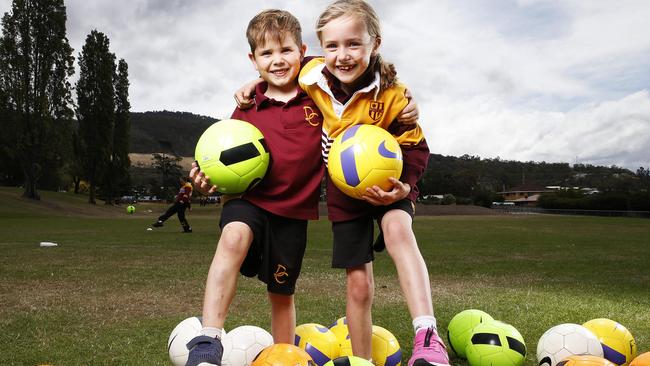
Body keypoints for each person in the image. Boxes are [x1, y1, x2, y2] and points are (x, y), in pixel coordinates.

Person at [296, 1, 451, 364]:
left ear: (374, 44)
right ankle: (362, 359)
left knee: (398, 231)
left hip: (389, 185)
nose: (342, 55)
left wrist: (405, 185)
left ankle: (427, 336)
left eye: (354, 44)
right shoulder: (310, 76)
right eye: (332, 46)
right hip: (343, 192)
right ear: (321, 49)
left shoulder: (396, 95)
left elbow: (417, 147)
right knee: (359, 283)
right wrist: (253, 84)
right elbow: (280, 71)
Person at [183, 9, 325, 366]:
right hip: (249, 201)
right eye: (266, 53)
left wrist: (306, 65)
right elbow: (220, 158)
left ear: (303, 51)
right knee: (233, 237)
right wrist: (204, 181)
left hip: (293, 214)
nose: (277, 61)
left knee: (281, 293)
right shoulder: (247, 108)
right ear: (253, 59)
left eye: (287, 51)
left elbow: (340, 63)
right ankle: (208, 340)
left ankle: (285, 356)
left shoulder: (319, 98)